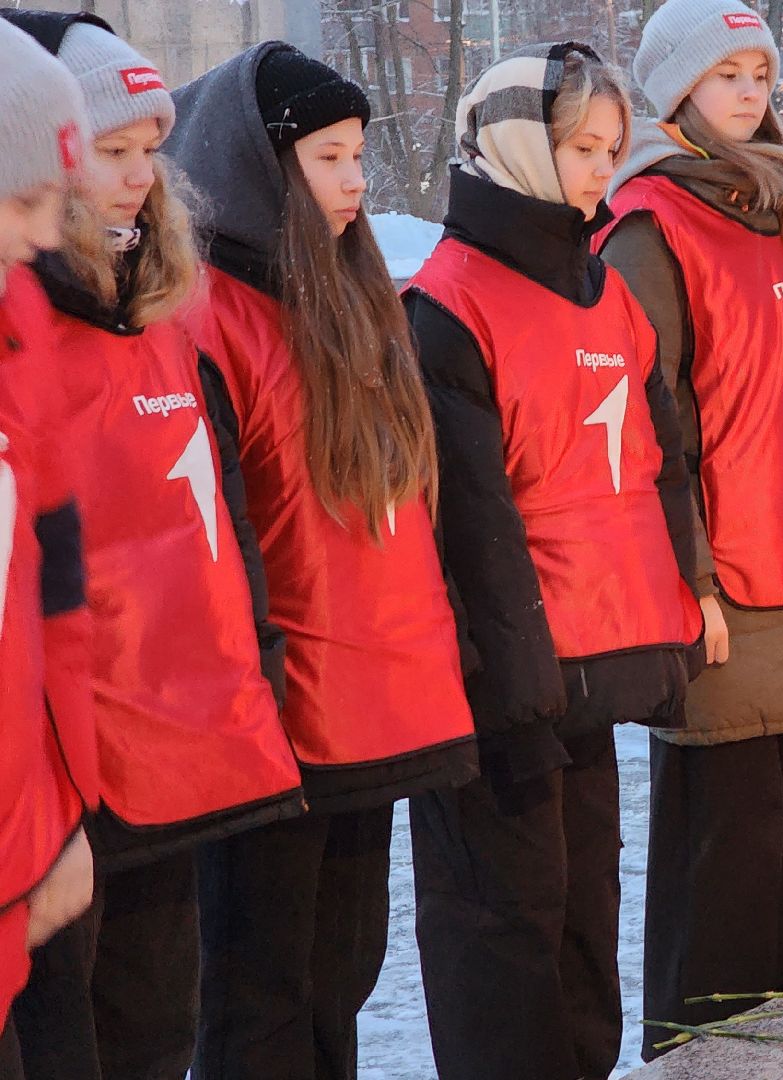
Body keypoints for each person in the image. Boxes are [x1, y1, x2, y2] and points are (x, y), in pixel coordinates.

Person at [167, 43, 479, 1080]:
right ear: (261, 166)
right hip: (278, 709)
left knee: (339, 973)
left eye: (359, 156)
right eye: (328, 158)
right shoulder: (208, 316)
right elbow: (219, 536)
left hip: (372, 698)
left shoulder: (351, 294)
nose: (355, 182)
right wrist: (255, 692)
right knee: (257, 992)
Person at [0, 15, 302, 1080]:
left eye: (149, 149)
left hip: (181, 733)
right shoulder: (26, 322)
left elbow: (223, 516)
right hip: (68, 758)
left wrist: (255, 666)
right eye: (110, 150)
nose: (137, 176)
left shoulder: (173, 309)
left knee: (157, 1024)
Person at [403, 42, 702, 1080]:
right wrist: (511, 673)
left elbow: (659, 465)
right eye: (582, 148)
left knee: (584, 912)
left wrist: (679, 603)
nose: (601, 170)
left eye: (613, 149)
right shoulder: (448, 302)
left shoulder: (604, 288)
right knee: (503, 923)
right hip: (504, 683)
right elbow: (470, 520)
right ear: (519, 146)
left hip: (595, 661)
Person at [595, 0, 783, 1056]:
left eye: (760, 72)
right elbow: (651, 422)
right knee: (722, 844)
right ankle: (702, 1058)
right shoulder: (651, 225)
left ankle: (775, 1054)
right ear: (677, 90)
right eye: (727, 74)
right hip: (725, 578)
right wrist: (693, 580)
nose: (751, 92)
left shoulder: (762, 211)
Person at [0, 21, 98, 1077]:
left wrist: (61, 816)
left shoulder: (19, 313)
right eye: (22, 201)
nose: (42, 235)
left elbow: (53, 596)